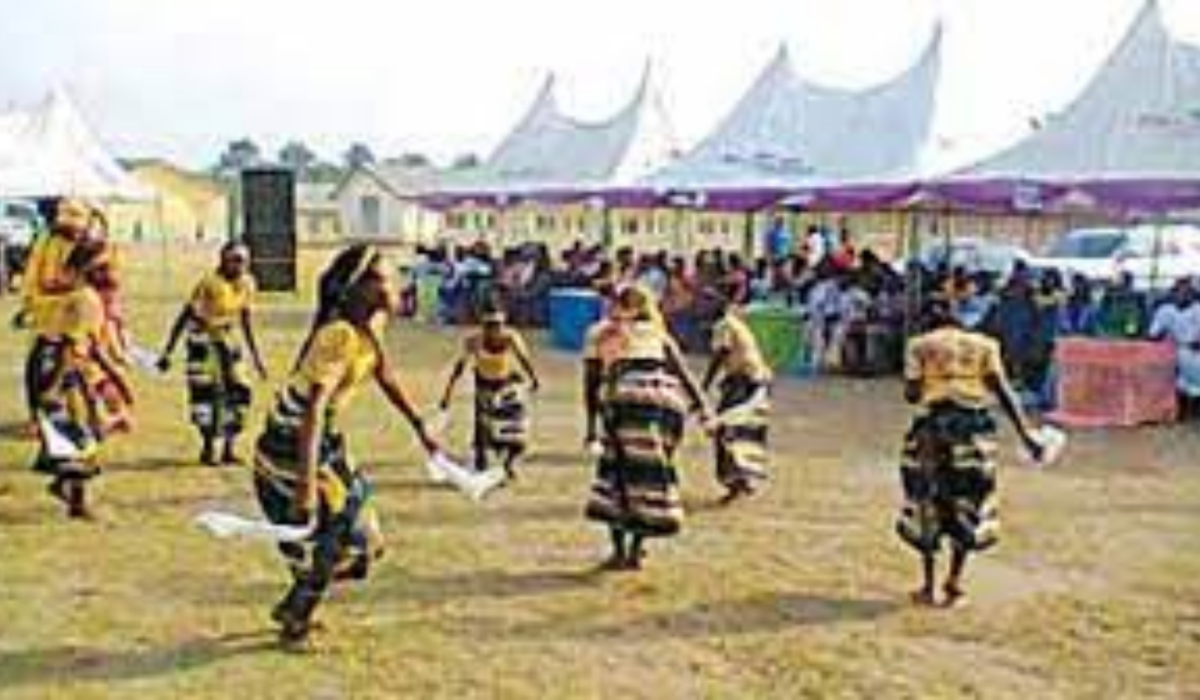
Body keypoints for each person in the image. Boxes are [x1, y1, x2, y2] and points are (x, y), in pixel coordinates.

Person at [253, 244, 439, 651]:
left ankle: (297, 598)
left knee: (364, 542)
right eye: (389, 278)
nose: (398, 285)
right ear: (364, 287)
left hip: (326, 443)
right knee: (333, 538)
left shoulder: (372, 325)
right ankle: (295, 618)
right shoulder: (338, 335)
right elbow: (313, 410)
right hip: (294, 444)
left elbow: (384, 373)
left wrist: (419, 424)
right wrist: (305, 484)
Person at [897, 299, 1045, 608]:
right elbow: (1003, 391)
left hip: (932, 431)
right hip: (973, 432)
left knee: (927, 503)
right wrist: (1027, 434)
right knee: (969, 503)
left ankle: (927, 586)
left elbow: (911, 395)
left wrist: (933, 378)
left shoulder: (919, 345)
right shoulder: (984, 345)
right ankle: (954, 584)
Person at [582, 285, 713, 571]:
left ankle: (619, 552)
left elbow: (591, 384)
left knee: (616, 477)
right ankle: (636, 550)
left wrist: (593, 426)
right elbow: (684, 374)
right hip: (667, 403)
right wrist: (705, 412)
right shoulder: (657, 333)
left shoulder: (601, 333)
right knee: (648, 476)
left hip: (626, 398)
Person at [30, 239, 133, 519]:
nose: (112, 273)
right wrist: (54, 387)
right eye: (104, 267)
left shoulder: (89, 298)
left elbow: (93, 344)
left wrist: (117, 378)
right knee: (79, 436)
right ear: (89, 268)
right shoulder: (85, 299)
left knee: (85, 433)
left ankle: (68, 490)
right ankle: (75, 498)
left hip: (71, 364)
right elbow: (71, 347)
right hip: (62, 367)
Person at [158, 242, 267, 465]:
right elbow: (185, 317)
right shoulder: (209, 284)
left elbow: (246, 319)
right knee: (209, 393)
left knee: (238, 390)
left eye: (244, 261)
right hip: (202, 340)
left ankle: (229, 447)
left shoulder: (247, 283)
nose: (240, 265)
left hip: (229, 340)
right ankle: (208, 447)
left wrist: (256, 357)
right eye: (235, 260)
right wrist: (168, 351)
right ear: (223, 260)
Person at [440, 299, 541, 480]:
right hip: (484, 385)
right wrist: (447, 395)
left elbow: (524, 360)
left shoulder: (511, 338)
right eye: (489, 325)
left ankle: (508, 464)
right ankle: (482, 464)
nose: (493, 330)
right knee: (483, 429)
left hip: (507, 386)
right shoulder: (474, 341)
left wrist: (534, 379)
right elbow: (459, 368)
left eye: (497, 325)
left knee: (516, 431)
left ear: (504, 323)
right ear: (482, 324)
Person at [19, 199, 91, 429]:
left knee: (61, 365)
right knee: (41, 365)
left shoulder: (71, 241)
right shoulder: (51, 241)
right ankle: (40, 415)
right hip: (49, 313)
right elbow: (43, 278)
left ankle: (66, 417)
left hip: (66, 313)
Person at [702, 293, 772, 503]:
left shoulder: (723, 326)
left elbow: (721, 354)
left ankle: (736, 482)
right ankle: (743, 479)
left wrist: (704, 386)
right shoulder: (736, 324)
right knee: (744, 431)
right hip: (755, 380)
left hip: (743, 381)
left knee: (725, 431)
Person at [1148, 278, 1200, 420]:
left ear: (1192, 294)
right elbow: (1153, 334)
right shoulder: (1165, 310)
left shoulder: (1198, 309)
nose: (1182, 295)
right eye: (1179, 291)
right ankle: (1179, 413)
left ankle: (1194, 413)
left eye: (1187, 292)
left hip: (1195, 353)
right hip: (1175, 352)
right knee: (1179, 385)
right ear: (1174, 292)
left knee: (1195, 385)